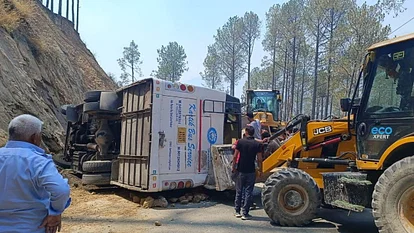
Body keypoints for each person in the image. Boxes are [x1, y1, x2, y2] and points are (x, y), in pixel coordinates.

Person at [0, 114, 71, 233]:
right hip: (32, 227)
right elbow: (61, 190)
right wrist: (54, 213)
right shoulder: (38, 161)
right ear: (35, 137)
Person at [232, 125, 263, 220]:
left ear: (246, 132)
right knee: (249, 191)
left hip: (241, 169)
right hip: (251, 170)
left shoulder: (240, 142)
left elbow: (235, 156)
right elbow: (259, 159)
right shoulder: (257, 144)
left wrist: (233, 167)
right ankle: (245, 213)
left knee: (239, 191)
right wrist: (260, 170)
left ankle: (237, 211)